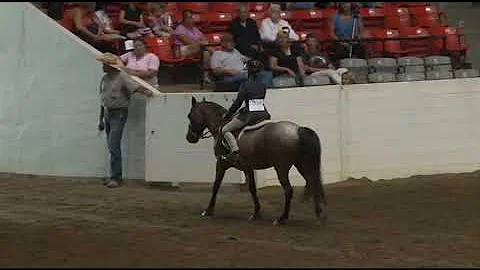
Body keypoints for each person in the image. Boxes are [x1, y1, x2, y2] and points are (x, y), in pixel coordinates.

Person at [96, 53, 156, 188]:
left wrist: (146, 91)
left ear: (109, 66)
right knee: (113, 146)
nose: (103, 66)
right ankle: (114, 176)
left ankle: (116, 177)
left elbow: (134, 87)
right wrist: (101, 119)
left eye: (104, 64)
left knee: (113, 145)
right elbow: (103, 99)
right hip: (109, 113)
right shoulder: (105, 78)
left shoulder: (121, 77)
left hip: (118, 113)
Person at [221, 59, 271, 167]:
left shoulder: (245, 85)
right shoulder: (263, 85)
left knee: (225, 130)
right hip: (263, 113)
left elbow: (238, 103)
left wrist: (228, 114)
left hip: (250, 116)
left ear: (248, 71)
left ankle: (235, 151)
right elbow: (256, 102)